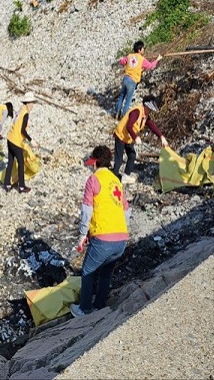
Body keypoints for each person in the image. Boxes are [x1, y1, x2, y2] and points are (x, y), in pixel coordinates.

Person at [70, 145, 130, 318]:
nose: (90, 166)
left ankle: (84, 309)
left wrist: (82, 235)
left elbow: (87, 210)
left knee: (88, 270)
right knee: (105, 273)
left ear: (95, 162)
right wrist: (123, 231)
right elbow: (125, 210)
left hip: (104, 238)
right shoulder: (115, 180)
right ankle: (99, 305)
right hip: (121, 240)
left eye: (91, 163)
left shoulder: (93, 180)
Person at [113, 95, 168, 184]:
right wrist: (136, 137)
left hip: (129, 138)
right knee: (119, 159)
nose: (150, 111)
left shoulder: (145, 116)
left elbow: (152, 126)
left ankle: (126, 176)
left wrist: (161, 137)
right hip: (121, 136)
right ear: (145, 106)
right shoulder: (136, 112)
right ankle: (113, 177)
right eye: (149, 109)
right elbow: (129, 126)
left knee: (132, 155)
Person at [115, 41, 163, 119]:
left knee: (121, 96)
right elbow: (150, 66)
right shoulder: (142, 59)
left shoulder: (130, 56)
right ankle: (123, 117)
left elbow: (122, 62)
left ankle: (117, 113)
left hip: (125, 79)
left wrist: (121, 59)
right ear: (139, 50)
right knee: (128, 100)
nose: (144, 49)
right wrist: (157, 59)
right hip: (132, 81)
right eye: (143, 48)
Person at [3, 92, 39, 193]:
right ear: (28, 103)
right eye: (32, 103)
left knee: (10, 162)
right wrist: (32, 141)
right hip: (15, 141)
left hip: (10, 138)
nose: (32, 106)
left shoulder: (20, 110)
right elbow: (23, 130)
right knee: (21, 163)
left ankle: (7, 184)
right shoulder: (25, 114)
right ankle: (21, 187)